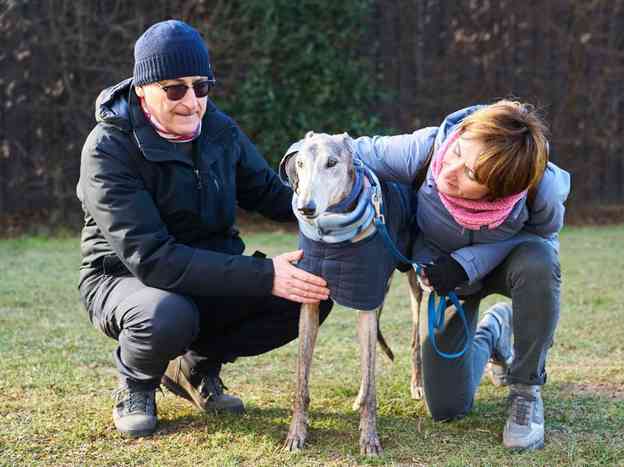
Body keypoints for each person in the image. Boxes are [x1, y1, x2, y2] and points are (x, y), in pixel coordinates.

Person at [76, 19, 332, 438]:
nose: (191, 102)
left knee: (313, 291)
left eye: (201, 86)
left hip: (210, 270)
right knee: (168, 313)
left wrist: (338, 202)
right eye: (174, 89)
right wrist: (265, 274)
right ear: (143, 89)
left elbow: (271, 194)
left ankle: (193, 367)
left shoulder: (218, 128)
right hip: (125, 279)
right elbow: (153, 260)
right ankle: (137, 382)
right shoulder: (108, 149)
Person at [348, 100, 570, 450]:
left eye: (470, 174)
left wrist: (467, 262)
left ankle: (526, 388)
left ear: (501, 189)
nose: (448, 170)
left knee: (539, 262)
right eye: (457, 153)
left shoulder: (540, 188)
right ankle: (493, 332)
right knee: (447, 407)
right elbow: (349, 150)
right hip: (446, 278)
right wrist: (302, 156)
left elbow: (544, 241)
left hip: (505, 266)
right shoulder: (427, 150)